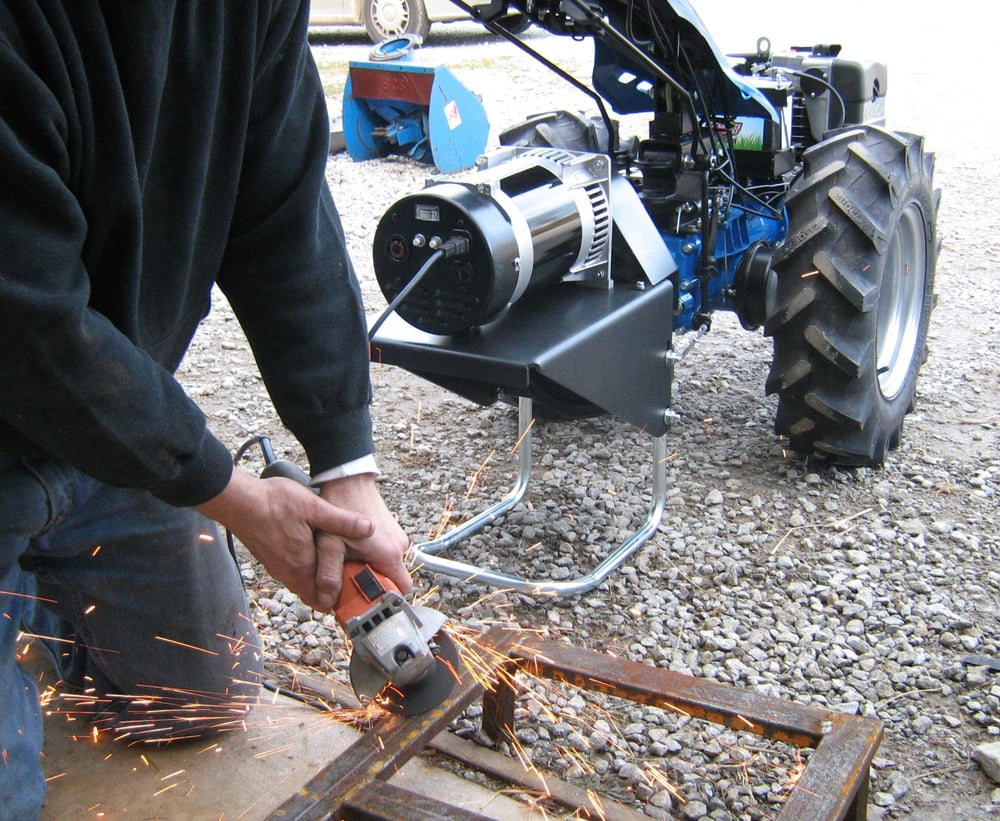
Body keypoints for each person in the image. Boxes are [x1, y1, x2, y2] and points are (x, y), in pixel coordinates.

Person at [0, 2, 411, 816]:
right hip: (26, 381)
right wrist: (233, 494)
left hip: (107, 433)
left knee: (202, 696)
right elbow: (28, 317)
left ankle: (40, 618)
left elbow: (284, 214)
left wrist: (345, 462)